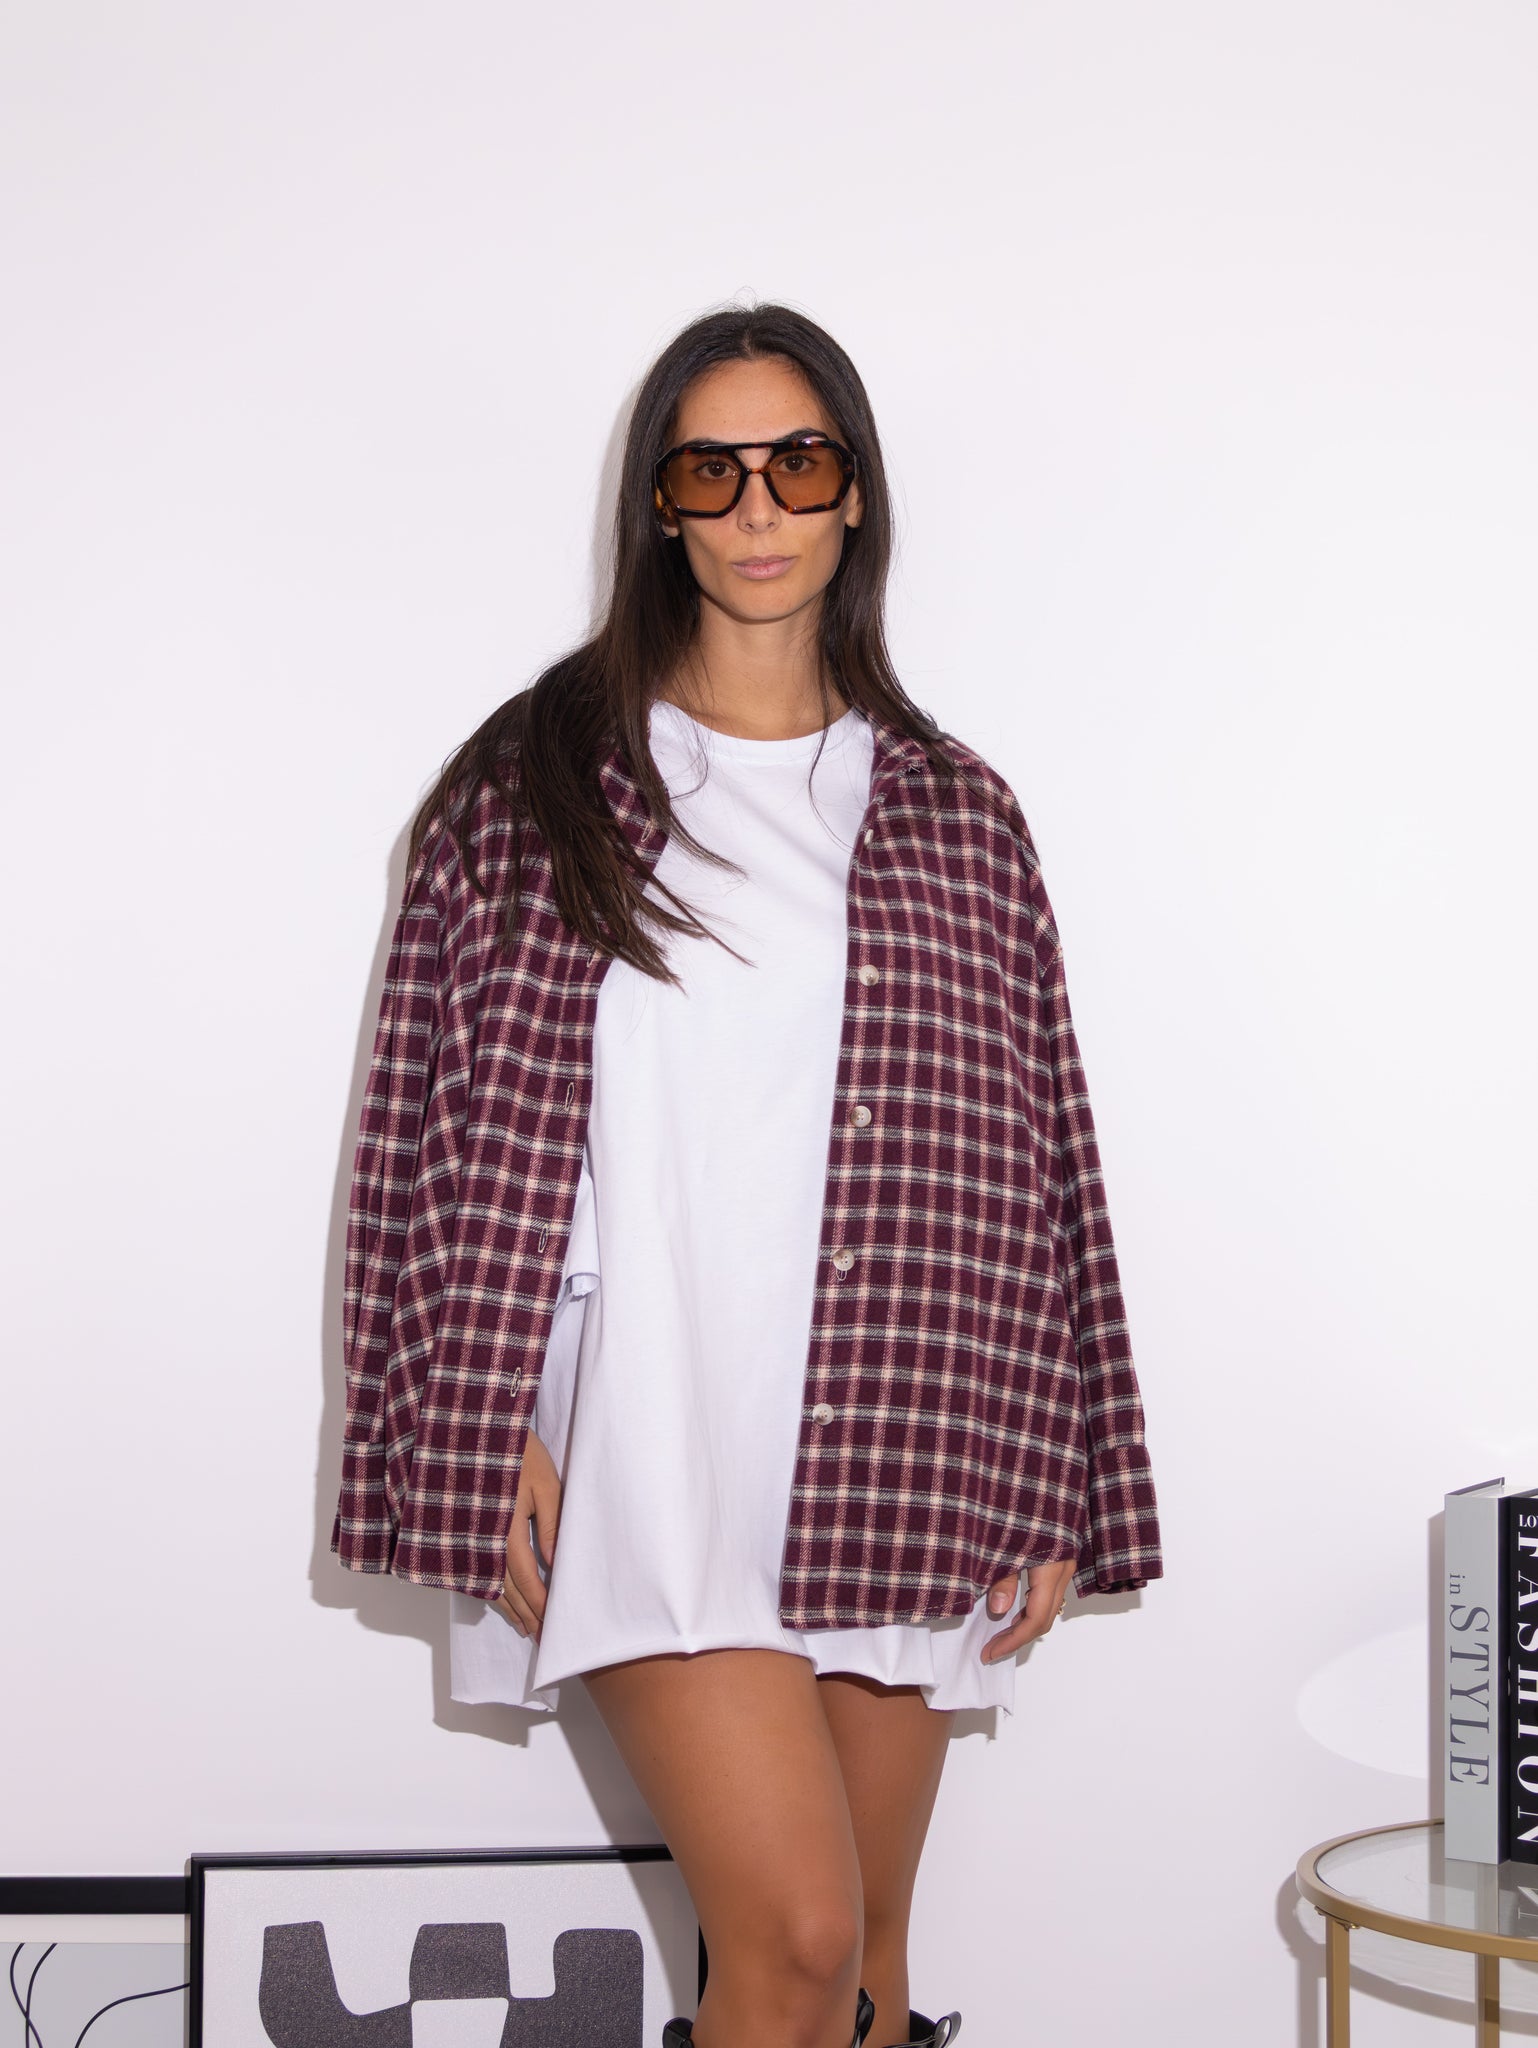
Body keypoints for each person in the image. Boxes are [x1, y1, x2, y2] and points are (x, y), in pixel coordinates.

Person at [331, 302, 1163, 2048]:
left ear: (855, 491)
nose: (759, 505)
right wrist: (480, 1431)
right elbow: (417, 1143)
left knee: (862, 1966)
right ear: (661, 506)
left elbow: (1034, 1163)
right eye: (712, 471)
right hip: (648, 1429)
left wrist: (1053, 1470)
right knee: (790, 1941)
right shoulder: (537, 783)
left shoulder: (957, 811)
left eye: (798, 461)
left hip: (902, 1422)